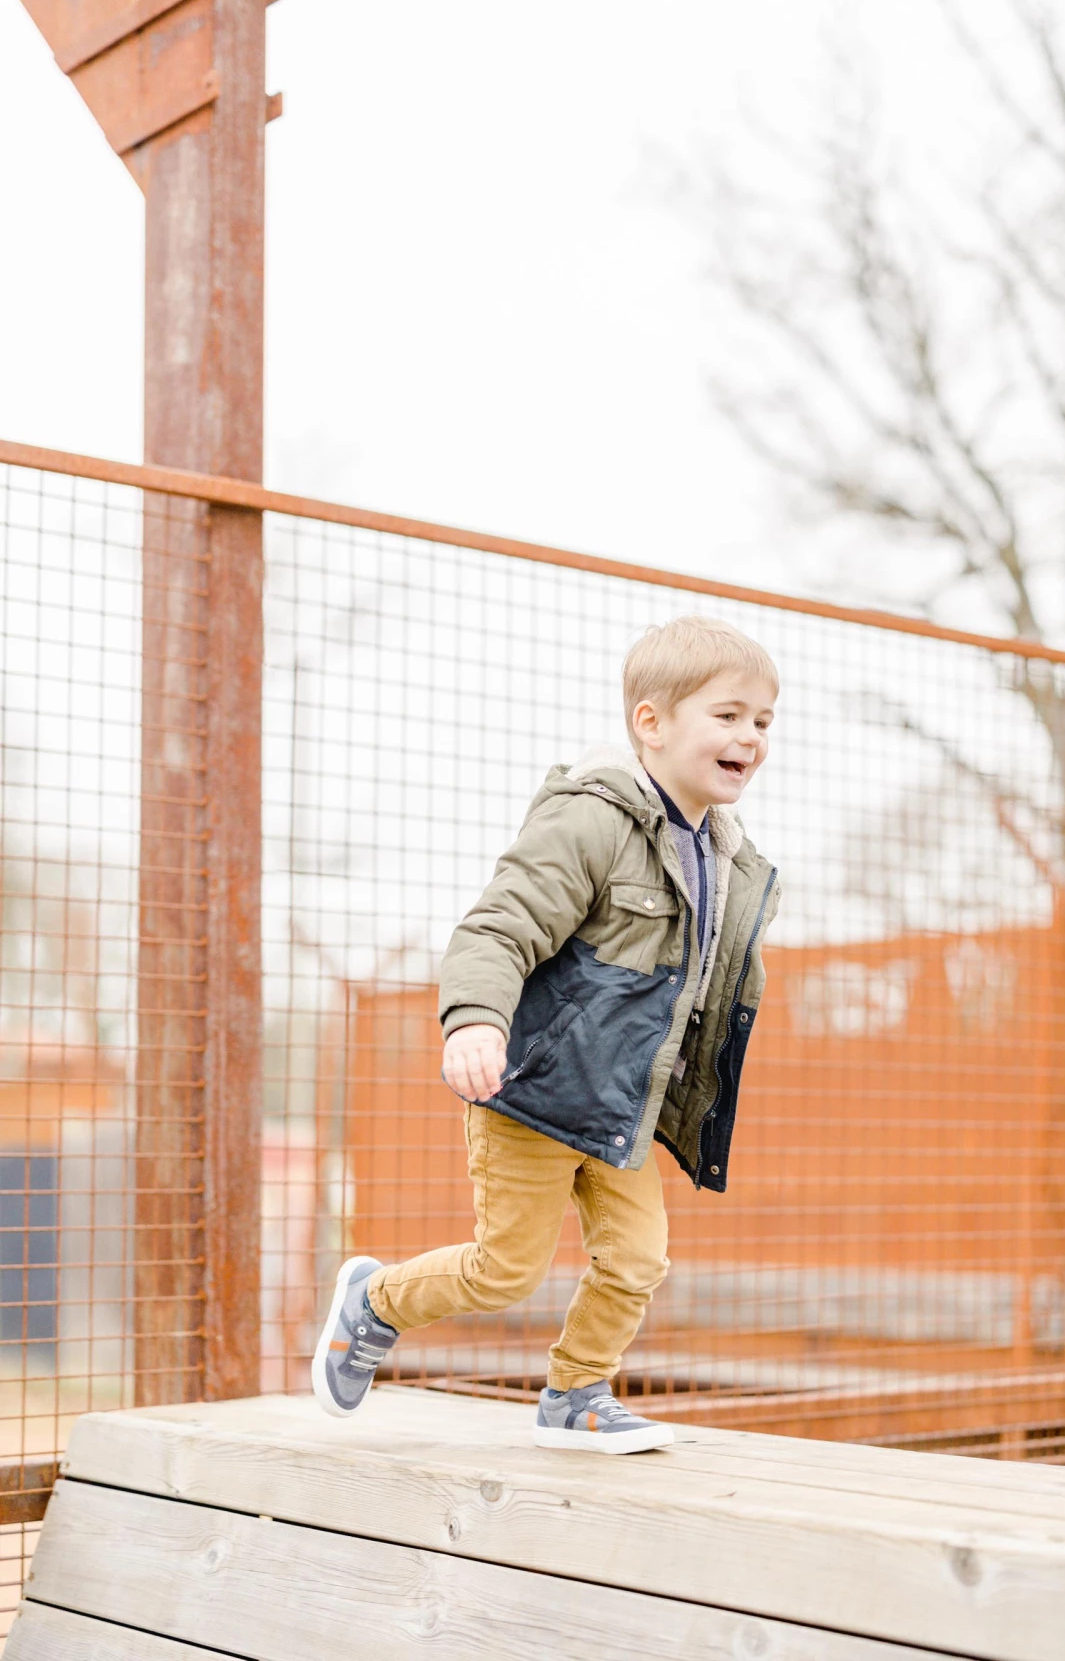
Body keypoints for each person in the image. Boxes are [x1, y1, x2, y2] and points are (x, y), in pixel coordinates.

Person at [312, 614, 780, 1453]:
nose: (749, 735)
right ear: (652, 722)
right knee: (505, 1272)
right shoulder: (593, 821)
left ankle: (576, 1395)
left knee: (637, 1261)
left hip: (618, 1109)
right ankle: (373, 1302)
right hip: (528, 1090)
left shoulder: (729, 858)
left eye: (763, 722)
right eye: (729, 715)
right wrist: (477, 1019)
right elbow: (500, 927)